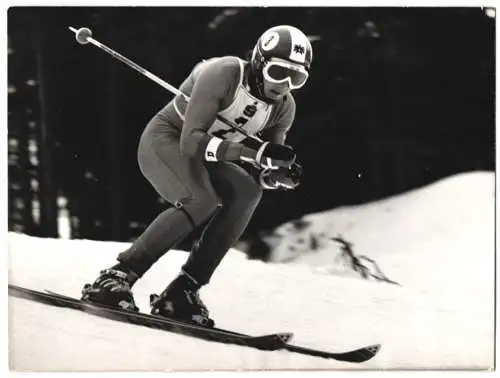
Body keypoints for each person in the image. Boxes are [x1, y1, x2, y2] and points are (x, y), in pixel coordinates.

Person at [81, 25, 313, 327]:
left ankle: (183, 290)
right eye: (279, 72)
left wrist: (276, 176)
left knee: (247, 192)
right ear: (258, 62)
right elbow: (190, 142)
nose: (285, 84)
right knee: (200, 199)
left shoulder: (284, 108)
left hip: (208, 154)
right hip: (167, 140)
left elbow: (261, 169)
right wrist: (254, 155)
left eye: (297, 78)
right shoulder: (225, 74)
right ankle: (116, 276)